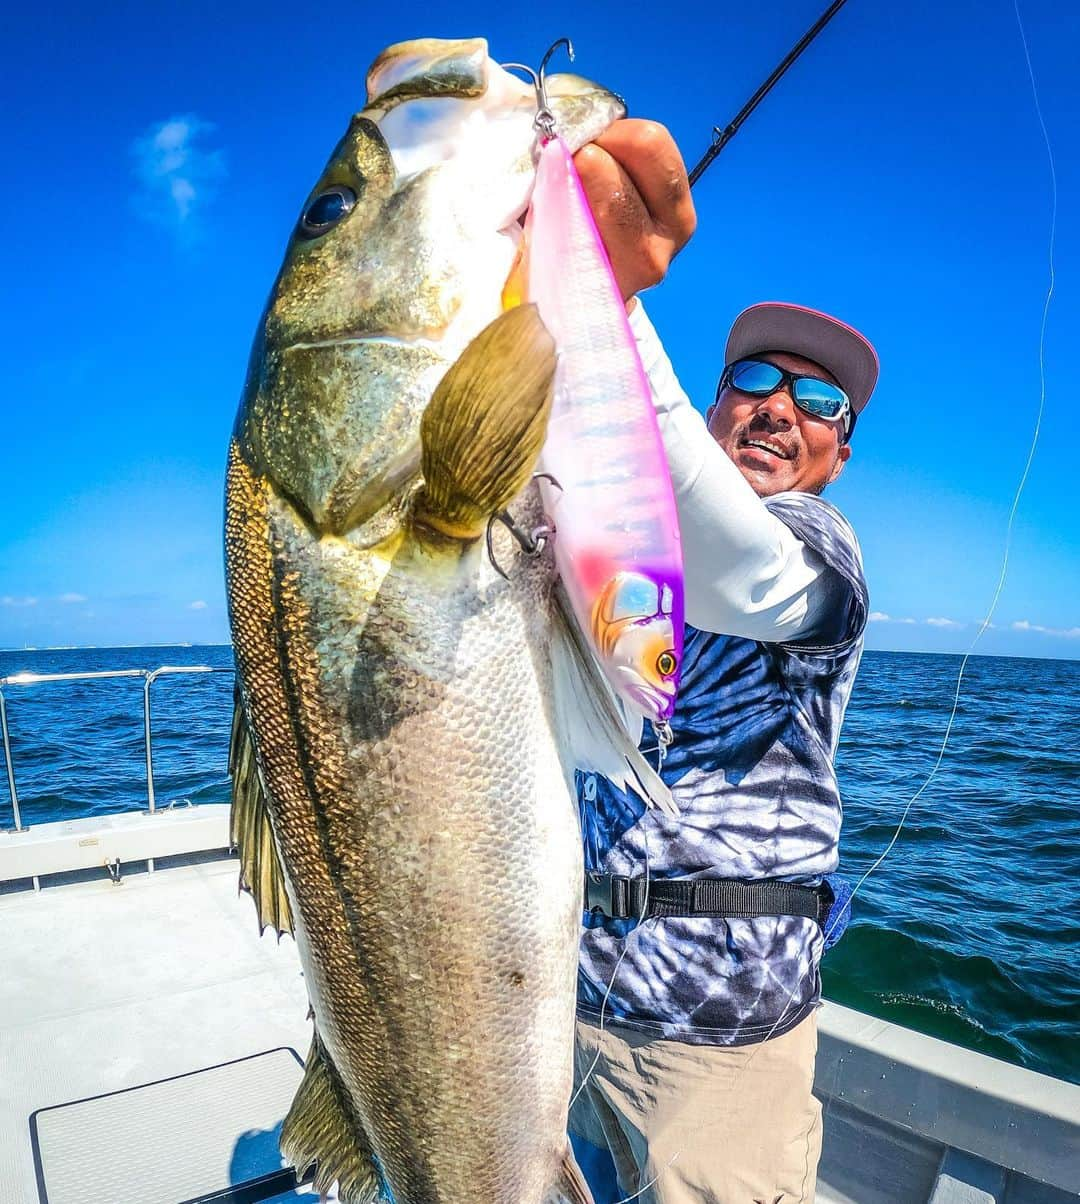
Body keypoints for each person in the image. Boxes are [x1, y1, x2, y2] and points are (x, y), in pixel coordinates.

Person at [566, 121, 877, 1203]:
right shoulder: (633, 567)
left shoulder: (817, 551)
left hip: (717, 1050)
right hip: (568, 1008)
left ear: (838, 452)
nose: (781, 405)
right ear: (714, 405)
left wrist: (598, 293)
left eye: (821, 400)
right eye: (754, 376)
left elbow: (732, 557)